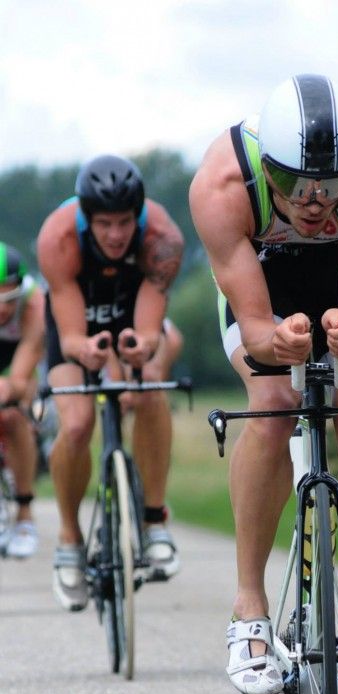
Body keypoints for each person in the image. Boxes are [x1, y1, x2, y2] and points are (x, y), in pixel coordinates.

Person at [190, 74, 338, 694]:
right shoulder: (223, 187)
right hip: (266, 290)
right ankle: (249, 607)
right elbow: (252, 322)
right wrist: (274, 337)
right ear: (267, 167)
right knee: (271, 410)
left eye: (332, 185)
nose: (315, 203)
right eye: (296, 185)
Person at [37, 154, 184, 611]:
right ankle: (68, 537)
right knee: (77, 422)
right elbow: (71, 333)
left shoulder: (163, 239)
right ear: (86, 217)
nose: (116, 235)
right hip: (76, 316)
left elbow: (148, 320)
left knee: (150, 386)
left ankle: (154, 519)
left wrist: (141, 347)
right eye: (104, 224)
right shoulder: (57, 238)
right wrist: (85, 351)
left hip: (128, 305)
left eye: (124, 222)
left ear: (138, 215)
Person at [0, 243, 45, 558]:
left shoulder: (34, 304)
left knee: (14, 416)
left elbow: (19, 379)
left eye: (9, 298)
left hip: (17, 359)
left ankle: (25, 513)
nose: (3, 308)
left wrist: (11, 390)